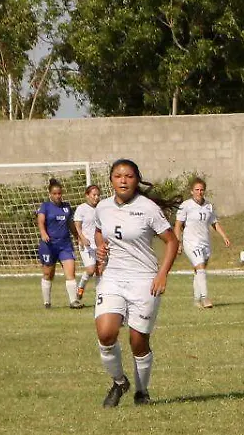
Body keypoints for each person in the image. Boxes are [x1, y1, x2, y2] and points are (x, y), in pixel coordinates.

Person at [92, 160, 181, 407]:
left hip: (144, 279)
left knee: (138, 340)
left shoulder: (148, 208)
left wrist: (162, 274)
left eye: (129, 176)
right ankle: (119, 382)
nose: (123, 180)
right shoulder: (102, 207)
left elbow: (172, 242)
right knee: (106, 333)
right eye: (118, 176)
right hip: (112, 277)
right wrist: (101, 248)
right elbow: (99, 231)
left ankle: (142, 392)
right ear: (111, 180)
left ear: (136, 180)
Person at [175, 178, 231, 309]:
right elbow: (178, 225)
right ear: (191, 191)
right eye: (197, 190)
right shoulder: (185, 206)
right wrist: (178, 243)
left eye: (201, 190)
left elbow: (214, 223)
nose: (199, 192)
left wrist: (224, 237)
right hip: (191, 242)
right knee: (200, 267)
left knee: (199, 270)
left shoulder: (208, 206)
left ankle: (196, 300)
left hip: (205, 242)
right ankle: (205, 298)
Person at [36, 179, 83, 309]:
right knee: (48, 274)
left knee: (71, 272)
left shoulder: (66, 207)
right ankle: (47, 302)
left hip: (65, 245)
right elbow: (40, 221)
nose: (58, 196)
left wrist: (78, 237)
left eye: (59, 193)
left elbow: (71, 225)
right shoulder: (45, 206)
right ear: (50, 194)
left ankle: (74, 301)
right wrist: (43, 233)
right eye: (55, 193)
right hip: (49, 245)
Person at [73, 185, 102, 302]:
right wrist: (82, 238)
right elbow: (77, 226)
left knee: (100, 270)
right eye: (94, 195)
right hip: (86, 244)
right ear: (87, 195)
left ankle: (100, 296)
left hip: (99, 244)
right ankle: (81, 287)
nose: (96, 197)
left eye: (98, 195)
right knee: (90, 270)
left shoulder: (101, 208)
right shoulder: (81, 208)